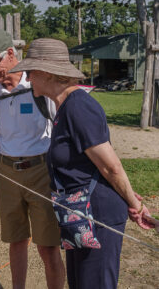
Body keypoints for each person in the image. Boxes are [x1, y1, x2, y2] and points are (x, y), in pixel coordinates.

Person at [9, 38, 155, 289]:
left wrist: (134, 204)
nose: (28, 78)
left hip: (97, 215)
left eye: (30, 72)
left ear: (47, 72)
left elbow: (111, 167)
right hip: (78, 214)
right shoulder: (63, 106)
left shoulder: (79, 107)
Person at [0, 29, 65, 289]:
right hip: (6, 172)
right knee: (16, 240)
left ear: (10, 54)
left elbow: (60, 129)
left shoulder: (41, 87)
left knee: (48, 246)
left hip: (41, 172)